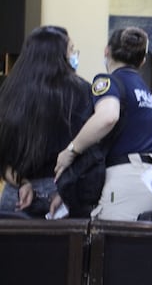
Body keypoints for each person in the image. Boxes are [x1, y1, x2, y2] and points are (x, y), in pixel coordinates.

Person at [55, 26, 152, 221]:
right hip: (150, 179)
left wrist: (71, 151)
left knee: (113, 248)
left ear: (106, 51)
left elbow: (108, 116)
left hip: (125, 179)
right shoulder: (144, 88)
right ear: (143, 61)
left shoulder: (108, 81)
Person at [0, 26, 92, 217]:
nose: (74, 55)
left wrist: (23, 182)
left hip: (16, 194)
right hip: (61, 197)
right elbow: (91, 151)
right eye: (71, 50)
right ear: (59, 56)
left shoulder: (9, 92)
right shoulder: (81, 91)